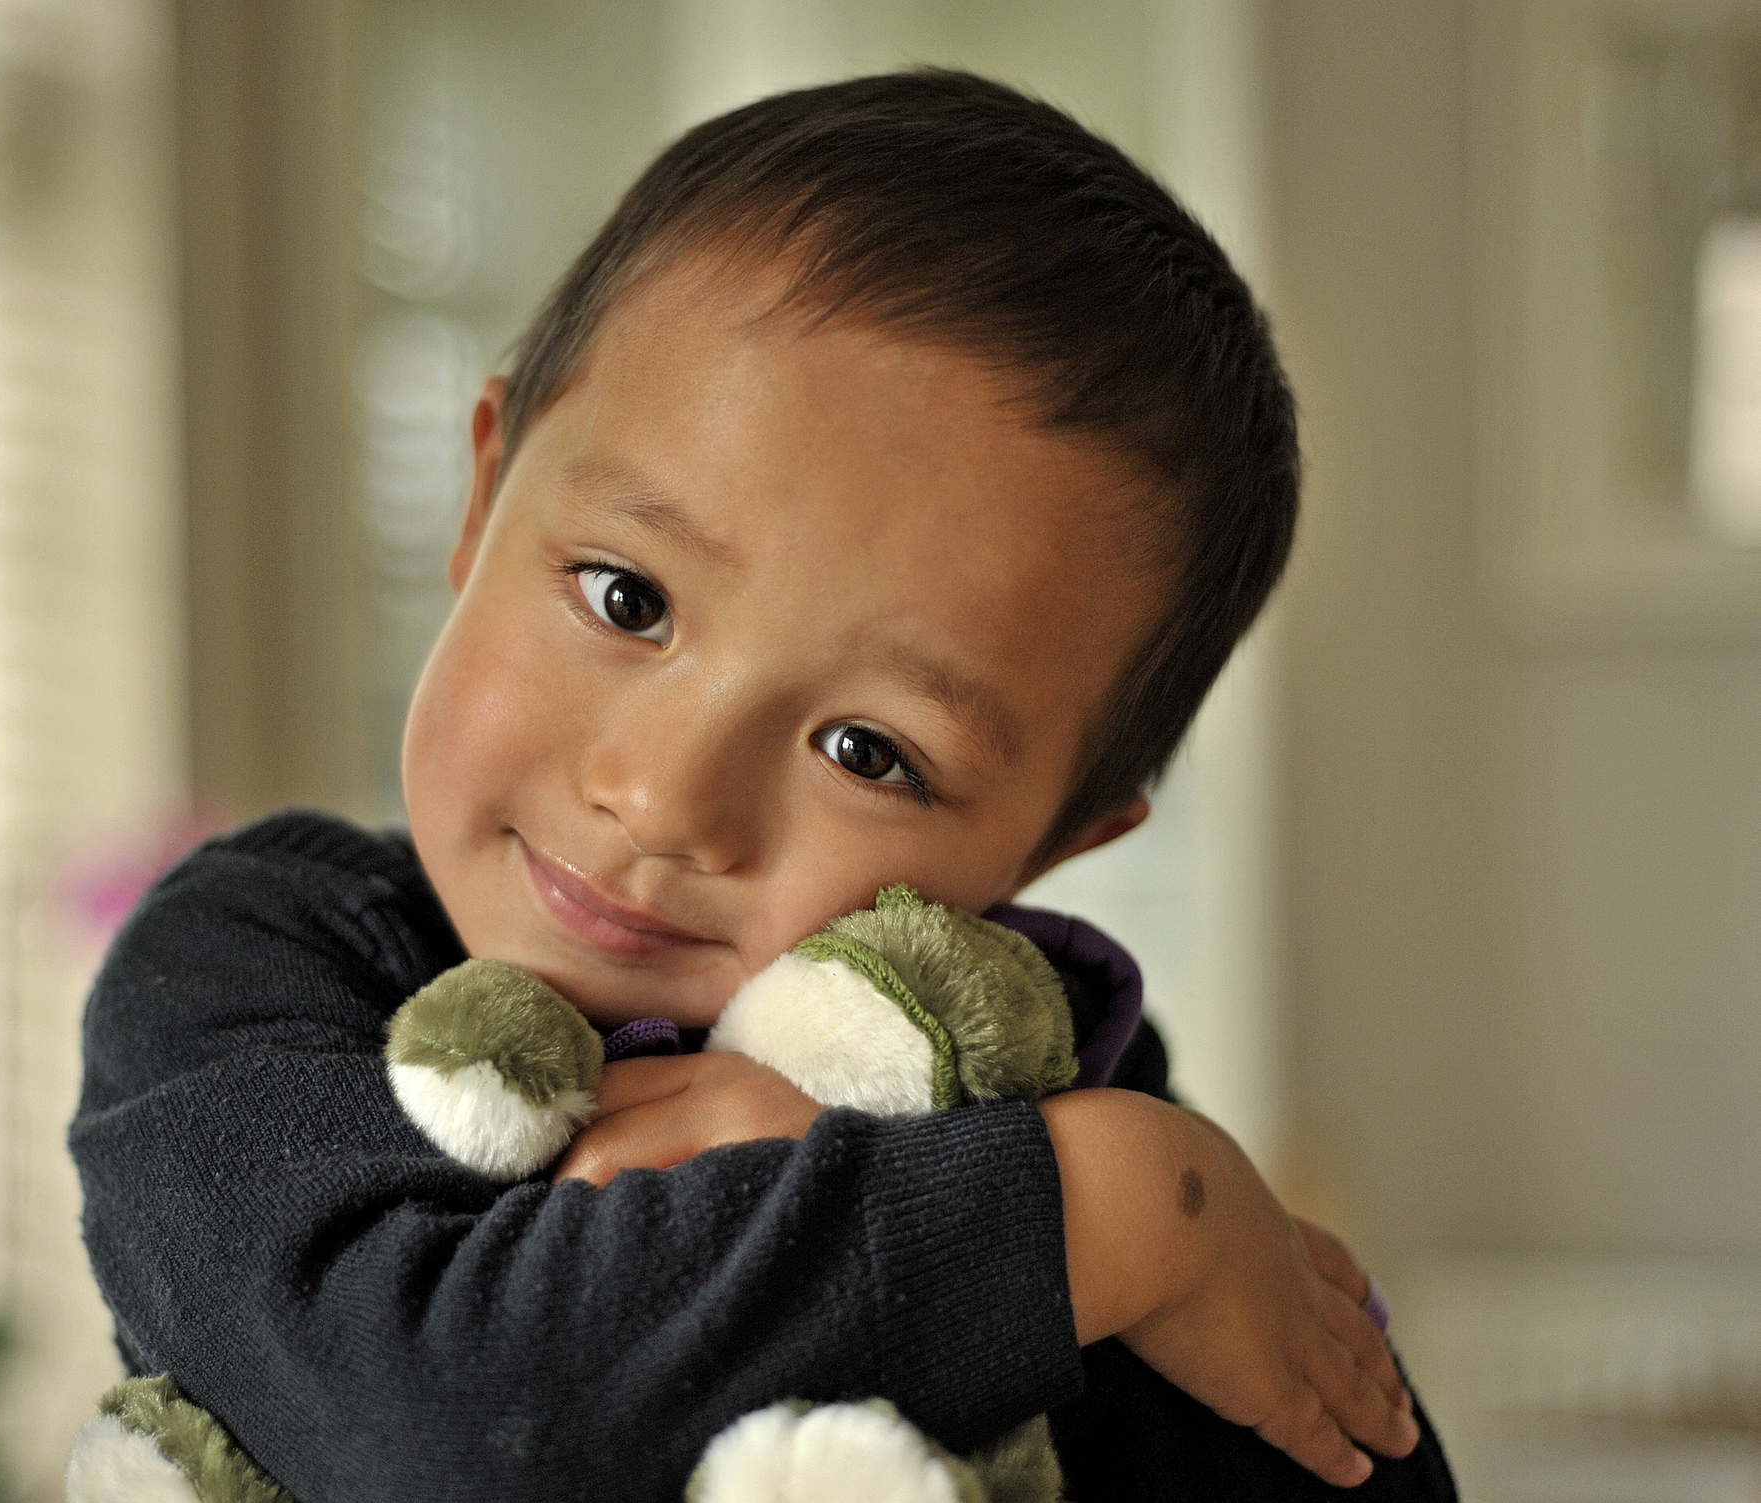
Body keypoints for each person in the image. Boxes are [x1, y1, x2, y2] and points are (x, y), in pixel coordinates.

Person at [71, 70, 1459, 1502]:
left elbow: (1350, 1450)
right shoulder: (251, 972)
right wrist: (1100, 1226)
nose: (664, 798)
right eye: (625, 596)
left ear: (1051, 847)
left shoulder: (1025, 1073)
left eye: (871, 753)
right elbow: (439, 1420)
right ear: (483, 497)